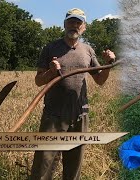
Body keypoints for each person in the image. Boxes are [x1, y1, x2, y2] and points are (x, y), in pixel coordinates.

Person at [30, 8, 116, 180]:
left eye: (78, 23)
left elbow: (99, 80)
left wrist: (108, 64)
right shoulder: (50, 48)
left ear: (84, 27)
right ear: (64, 24)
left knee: (74, 164)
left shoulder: (88, 50)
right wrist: (51, 72)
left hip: (79, 115)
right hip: (54, 115)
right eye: (71, 21)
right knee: (44, 163)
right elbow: (39, 81)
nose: (74, 26)